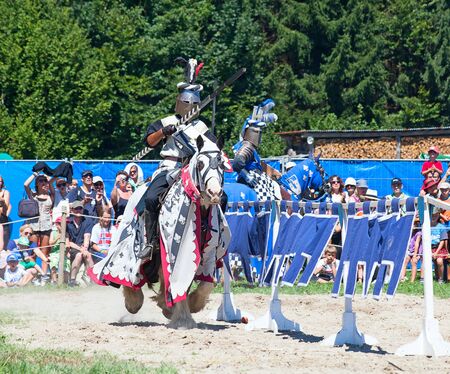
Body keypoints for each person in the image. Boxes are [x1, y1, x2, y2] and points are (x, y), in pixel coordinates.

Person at [142, 57, 218, 257]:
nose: (190, 106)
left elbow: (213, 148)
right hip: (169, 168)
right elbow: (149, 141)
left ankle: (210, 238)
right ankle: (150, 243)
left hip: (192, 170)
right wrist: (163, 132)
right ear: (179, 102)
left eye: (194, 103)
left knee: (220, 197)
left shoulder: (201, 128)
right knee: (151, 198)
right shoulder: (166, 121)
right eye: (187, 102)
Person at [24, 172, 55, 277]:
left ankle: (44, 275)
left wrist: (48, 178)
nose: (43, 182)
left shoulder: (51, 195)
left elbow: (53, 181)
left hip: (46, 225)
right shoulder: (33, 195)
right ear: (37, 183)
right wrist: (35, 174)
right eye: (40, 181)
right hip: (33, 226)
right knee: (33, 252)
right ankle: (32, 275)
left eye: (44, 181)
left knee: (44, 251)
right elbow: (25, 185)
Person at [67, 201, 94, 287]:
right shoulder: (68, 223)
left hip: (83, 247)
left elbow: (87, 236)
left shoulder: (87, 221)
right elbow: (69, 242)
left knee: (88, 255)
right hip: (73, 248)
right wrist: (81, 249)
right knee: (79, 255)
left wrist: (85, 248)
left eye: (80, 208)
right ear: (72, 210)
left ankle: (94, 280)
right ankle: (72, 280)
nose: (78, 210)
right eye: (76, 209)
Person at [48, 216, 70, 284]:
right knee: (54, 264)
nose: (63, 226)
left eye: (64, 224)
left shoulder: (66, 234)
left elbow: (67, 244)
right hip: (54, 253)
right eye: (61, 224)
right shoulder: (53, 233)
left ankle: (65, 283)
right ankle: (54, 281)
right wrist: (57, 238)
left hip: (63, 253)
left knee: (66, 266)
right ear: (57, 224)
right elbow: (50, 243)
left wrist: (67, 251)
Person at [430, 212, 448, 284]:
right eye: (432, 216)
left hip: (439, 248)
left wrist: (436, 252)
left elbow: (442, 241)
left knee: (439, 261)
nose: (434, 217)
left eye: (435, 216)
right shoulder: (428, 226)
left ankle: (441, 278)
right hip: (430, 247)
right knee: (434, 262)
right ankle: (437, 277)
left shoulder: (441, 227)